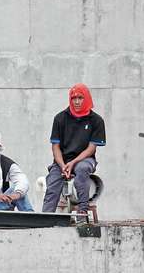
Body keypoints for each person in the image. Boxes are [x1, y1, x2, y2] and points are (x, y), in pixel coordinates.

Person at [41, 83, 106, 216]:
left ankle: (82, 211)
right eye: (73, 98)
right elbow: (55, 147)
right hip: (62, 161)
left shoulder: (96, 120)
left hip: (85, 159)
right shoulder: (60, 118)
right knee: (52, 183)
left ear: (87, 98)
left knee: (81, 170)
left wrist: (73, 163)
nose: (76, 101)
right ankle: (45, 218)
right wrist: (63, 165)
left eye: (80, 98)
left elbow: (91, 148)